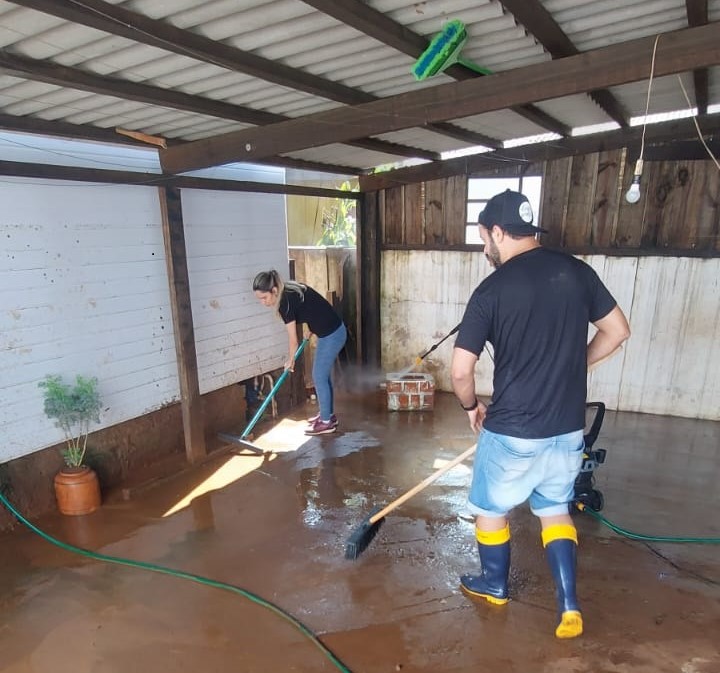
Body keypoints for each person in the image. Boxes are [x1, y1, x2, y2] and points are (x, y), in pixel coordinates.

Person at [450, 189, 630, 639]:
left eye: (483, 238)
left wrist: (472, 407)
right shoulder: (577, 272)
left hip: (512, 429)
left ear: (495, 232)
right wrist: (576, 363)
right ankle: (569, 604)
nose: (484, 249)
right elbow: (618, 331)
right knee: (555, 511)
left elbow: (459, 370)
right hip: (567, 428)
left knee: (491, 510)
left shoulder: (491, 289)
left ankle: (494, 585)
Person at [253, 270, 347, 435]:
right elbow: (314, 307)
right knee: (321, 375)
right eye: (259, 299)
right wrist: (312, 328)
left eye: (264, 298)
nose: (263, 302)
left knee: (318, 376)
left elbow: (293, 340)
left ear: (274, 291)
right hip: (331, 331)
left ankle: (326, 422)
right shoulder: (290, 289)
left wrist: (291, 360)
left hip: (332, 335)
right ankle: (328, 416)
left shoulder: (285, 304)